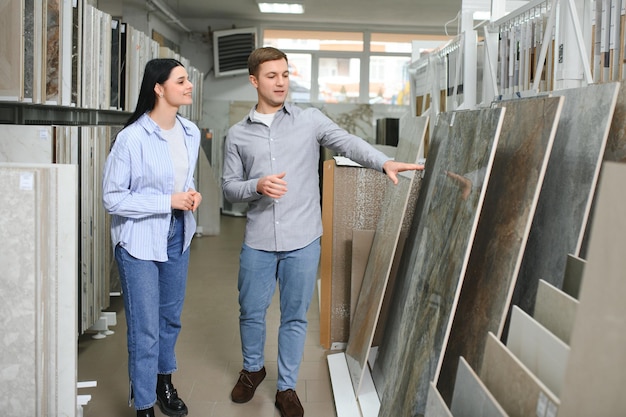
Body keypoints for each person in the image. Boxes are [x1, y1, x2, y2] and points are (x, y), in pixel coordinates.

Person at [222, 46, 424, 417]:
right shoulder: (237, 134)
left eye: (285, 74)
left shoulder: (309, 120)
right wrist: (257, 187)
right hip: (259, 240)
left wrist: (384, 162)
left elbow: (348, 142)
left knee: (295, 316)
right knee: (251, 311)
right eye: (271, 76)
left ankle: (286, 388)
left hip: (303, 239)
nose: (281, 82)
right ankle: (252, 369)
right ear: (254, 81)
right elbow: (229, 188)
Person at [102, 58, 202, 417]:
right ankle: (144, 405)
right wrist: (168, 200)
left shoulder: (189, 132)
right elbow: (113, 198)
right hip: (139, 241)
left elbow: (183, 181)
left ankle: (164, 383)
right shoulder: (131, 139)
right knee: (144, 330)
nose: (189, 85)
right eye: (181, 80)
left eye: (187, 79)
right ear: (159, 88)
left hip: (178, 234)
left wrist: (190, 194)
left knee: (170, 319)